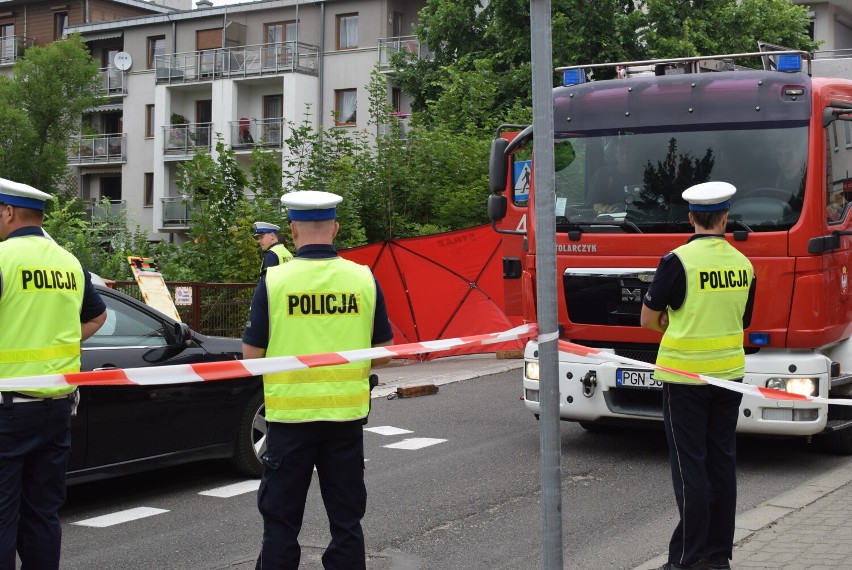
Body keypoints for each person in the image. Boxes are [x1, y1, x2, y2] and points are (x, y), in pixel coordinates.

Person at [243, 190, 394, 570]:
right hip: (345, 419)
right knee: (346, 521)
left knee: (280, 521)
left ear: (292, 231)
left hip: (288, 421)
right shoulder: (362, 278)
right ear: (335, 228)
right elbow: (384, 347)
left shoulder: (275, 280)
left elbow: (252, 356)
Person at [640, 181, 756, 570]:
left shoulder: (678, 261)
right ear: (726, 217)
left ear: (691, 218)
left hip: (685, 378)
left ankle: (687, 562)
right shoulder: (744, 264)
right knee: (722, 463)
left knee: (691, 469)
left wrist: (675, 327)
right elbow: (743, 320)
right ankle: (718, 555)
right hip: (729, 376)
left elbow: (647, 320)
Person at [0, 178, 107, 570]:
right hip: (58, 408)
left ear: (8, 213)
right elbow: (97, 315)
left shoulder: (2, 258)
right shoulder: (68, 261)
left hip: (8, 410)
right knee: (42, 514)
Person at [588, 138, 641, 214]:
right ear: (616, 155)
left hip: (640, 223)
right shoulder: (603, 175)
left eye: (629, 153)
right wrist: (604, 210)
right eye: (621, 153)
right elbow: (594, 206)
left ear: (636, 155)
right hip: (612, 224)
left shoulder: (644, 177)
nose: (625, 157)